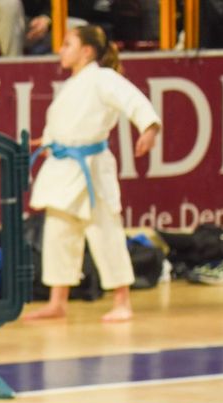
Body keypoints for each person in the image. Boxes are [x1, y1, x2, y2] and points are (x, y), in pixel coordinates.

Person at [24, 24, 160, 324]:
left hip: (92, 167)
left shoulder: (103, 78)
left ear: (86, 51)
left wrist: (149, 128)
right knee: (59, 233)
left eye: (67, 44)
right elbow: (65, 125)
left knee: (104, 231)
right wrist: (48, 143)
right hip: (63, 167)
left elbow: (134, 101)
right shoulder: (73, 85)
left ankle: (122, 300)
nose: (61, 50)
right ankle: (57, 301)